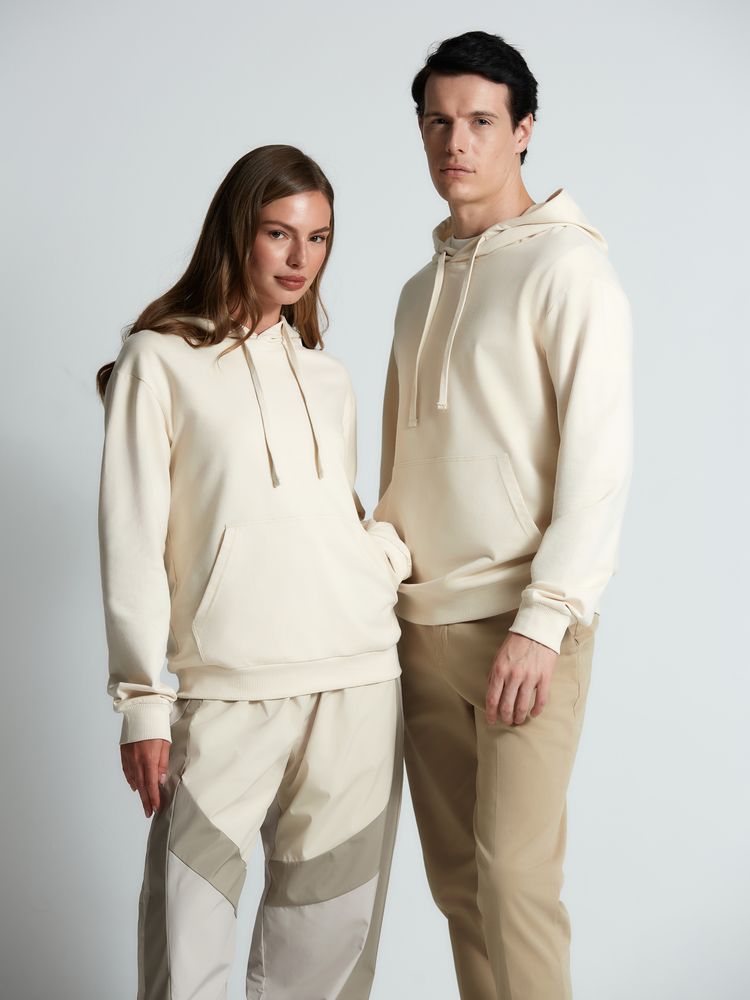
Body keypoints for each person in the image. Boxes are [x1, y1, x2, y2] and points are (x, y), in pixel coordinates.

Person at [96, 144, 411, 1000]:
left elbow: (336, 511)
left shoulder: (328, 377)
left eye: (319, 238)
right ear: (237, 232)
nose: (301, 257)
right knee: (187, 931)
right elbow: (132, 537)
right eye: (279, 233)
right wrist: (142, 701)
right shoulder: (159, 360)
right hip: (231, 686)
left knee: (329, 942)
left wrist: (378, 561)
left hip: (358, 680)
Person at [375, 31, 633, 1000]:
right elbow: (400, 473)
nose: (457, 143)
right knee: (460, 889)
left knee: (517, 884)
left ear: (524, 130)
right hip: (421, 627)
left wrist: (545, 617)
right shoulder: (417, 291)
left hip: (522, 629)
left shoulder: (570, 268)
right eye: (438, 122)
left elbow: (598, 466)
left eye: (481, 121)